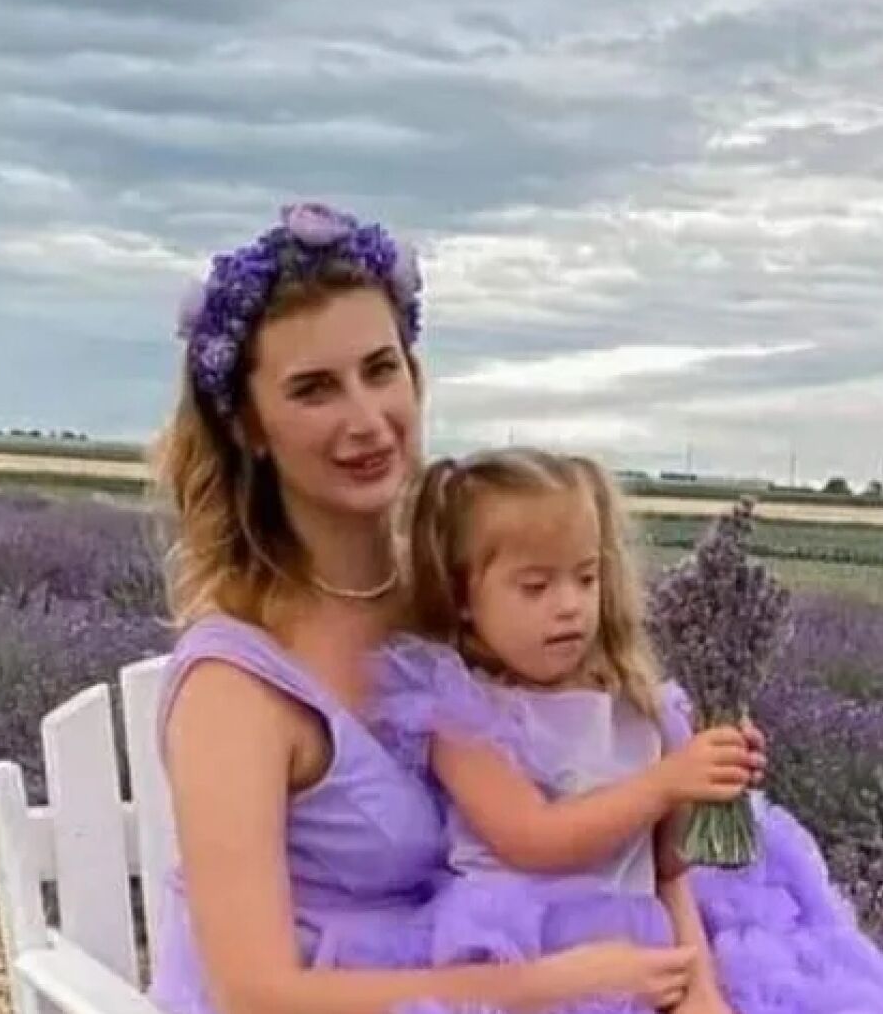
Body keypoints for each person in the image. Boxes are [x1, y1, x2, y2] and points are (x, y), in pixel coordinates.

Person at [144, 202, 766, 1014]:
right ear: (248, 426)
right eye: (314, 389)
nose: (367, 421)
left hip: (580, 953)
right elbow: (255, 995)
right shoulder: (235, 687)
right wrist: (546, 984)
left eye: (381, 369)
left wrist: (698, 983)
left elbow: (634, 839)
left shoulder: (480, 602)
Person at [375, 447, 883, 1014]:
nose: (569, 605)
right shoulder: (463, 715)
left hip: (648, 954)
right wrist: (665, 782)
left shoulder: (635, 707)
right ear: (462, 596)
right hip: (532, 961)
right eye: (536, 586)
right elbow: (534, 839)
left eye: (586, 578)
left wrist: (709, 785)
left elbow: (666, 868)